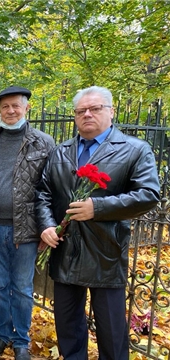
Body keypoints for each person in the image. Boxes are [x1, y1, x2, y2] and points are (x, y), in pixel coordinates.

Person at [36, 86, 160, 359]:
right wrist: (46, 225)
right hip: (65, 251)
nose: (87, 114)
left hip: (105, 250)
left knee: (111, 331)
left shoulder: (134, 150)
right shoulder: (61, 152)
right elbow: (43, 193)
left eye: (95, 109)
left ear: (111, 111)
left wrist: (98, 207)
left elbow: (149, 194)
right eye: (81, 111)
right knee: (68, 326)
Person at [0, 86, 55, 360]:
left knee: (22, 288)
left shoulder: (43, 143)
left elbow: (51, 186)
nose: (10, 111)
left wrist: (49, 224)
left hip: (27, 229)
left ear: (27, 108)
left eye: (15, 106)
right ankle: (3, 335)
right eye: (5, 107)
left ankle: (21, 340)